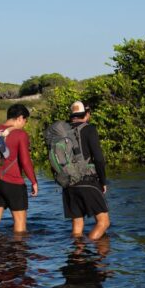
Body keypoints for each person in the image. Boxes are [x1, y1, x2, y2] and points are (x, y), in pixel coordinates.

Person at [0, 103, 38, 236]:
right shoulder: (20, 134)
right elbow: (25, 161)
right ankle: (19, 248)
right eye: (25, 120)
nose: (24, 124)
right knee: (20, 221)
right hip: (14, 182)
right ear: (20, 118)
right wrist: (33, 181)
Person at [61, 101, 110, 240]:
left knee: (77, 225)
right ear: (86, 114)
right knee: (103, 222)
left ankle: (78, 252)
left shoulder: (62, 132)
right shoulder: (90, 129)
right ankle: (91, 243)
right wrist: (103, 181)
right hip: (87, 181)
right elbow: (99, 159)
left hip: (68, 184)